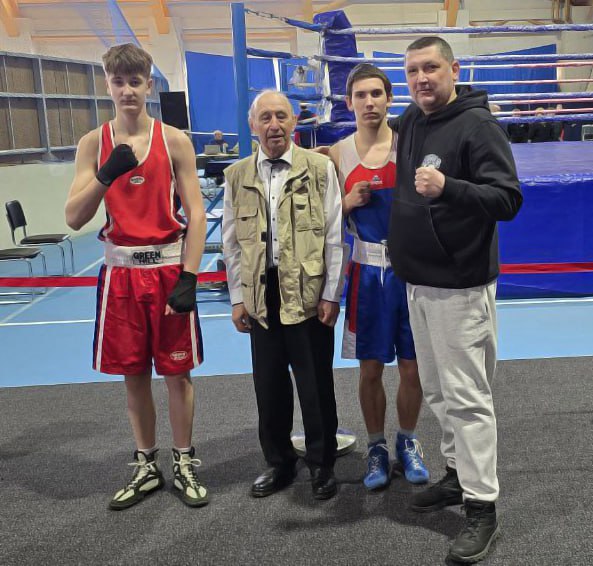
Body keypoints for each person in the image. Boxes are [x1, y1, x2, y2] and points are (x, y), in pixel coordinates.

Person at [388, 37, 522, 563]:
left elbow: (507, 198)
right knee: (438, 391)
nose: (421, 78)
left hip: (461, 286)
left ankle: (483, 508)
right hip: (418, 281)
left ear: (454, 69)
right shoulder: (412, 119)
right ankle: (457, 474)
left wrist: (449, 187)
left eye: (431, 68)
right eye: (412, 71)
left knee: (467, 398)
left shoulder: (478, 126)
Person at [65, 43, 209, 511]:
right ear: (108, 85)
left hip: (168, 269)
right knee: (134, 375)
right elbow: (73, 216)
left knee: (177, 373)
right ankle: (147, 463)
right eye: (119, 82)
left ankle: (184, 460)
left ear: (149, 85)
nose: (127, 90)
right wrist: (105, 175)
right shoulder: (93, 143)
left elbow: (197, 212)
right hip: (121, 274)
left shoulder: (175, 140)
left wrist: (190, 276)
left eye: (135, 81)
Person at [222, 90, 345, 501]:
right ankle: (279, 462)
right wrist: (237, 298)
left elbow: (334, 236)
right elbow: (231, 244)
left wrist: (331, 294)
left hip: (308, 292)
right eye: (265, 118)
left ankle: (322, 463)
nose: (274, 125)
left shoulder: (321, 168)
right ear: (252, 125)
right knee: (269, 386)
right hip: (261, 294)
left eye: (281, 116)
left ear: (294, 122)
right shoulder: (236, 175)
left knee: (315, 385)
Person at [328, 63, 428, 491]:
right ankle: (375, 446)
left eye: (376, 94)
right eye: (361, 95)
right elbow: (323, 223)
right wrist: (345, 203)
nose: (369, 102)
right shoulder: (337, 154)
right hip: (366, 276)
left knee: (413, 367)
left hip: (411, 272)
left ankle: (407, 440)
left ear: (389, 99)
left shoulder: (410, 145)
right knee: (370, 368)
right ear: (348, 102)